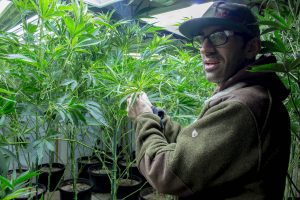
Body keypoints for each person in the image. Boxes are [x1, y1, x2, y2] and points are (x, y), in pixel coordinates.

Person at [126, 1, 291, 199]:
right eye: (202, 38)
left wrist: (144, 118)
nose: (205, 48)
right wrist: (158, 117)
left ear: (251, 47)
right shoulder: (244, 93)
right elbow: (194, 148)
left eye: (219, 36)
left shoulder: (243, 106)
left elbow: (166, 173)